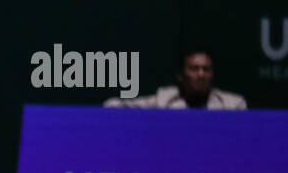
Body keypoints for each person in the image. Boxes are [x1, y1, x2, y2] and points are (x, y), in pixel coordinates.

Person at [104, 49, 246, 109]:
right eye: (194, 69)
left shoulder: (233, 105)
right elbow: (112, 105)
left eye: (206, 69)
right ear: (180, 75)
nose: (201, 74)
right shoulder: (163, 101)